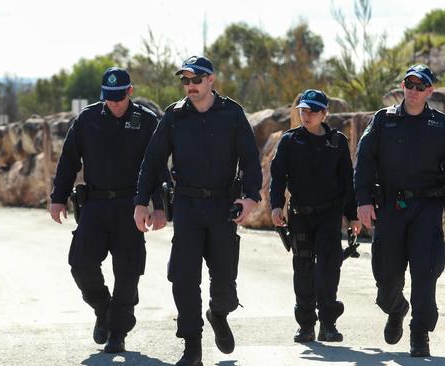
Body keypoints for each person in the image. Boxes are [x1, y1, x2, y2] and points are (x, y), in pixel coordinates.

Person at [133, 55, 262, 366]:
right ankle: (192, 347)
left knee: (225, 286)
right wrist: (141, 201)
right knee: (183, 279)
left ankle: (219, 313)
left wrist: (250, 197)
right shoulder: (174, 116)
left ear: (211, 80)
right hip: (188, 207)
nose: (190, 86)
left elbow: (250, 160)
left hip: (222, 208)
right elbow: (152, 161)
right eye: (185, 80)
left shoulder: (232, 114)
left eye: (196, 80)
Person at [49, 67, 166, 353]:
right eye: (108, 98)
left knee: (128, 272)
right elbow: (68, 161)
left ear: (130, 92)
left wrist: (160, 207)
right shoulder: (87, 119)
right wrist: (58, 197)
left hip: (131, 205)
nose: (113, 103)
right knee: (81, 264)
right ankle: (104, 308)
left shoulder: (147, 122)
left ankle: (118, 332)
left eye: (118, 97)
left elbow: (158, 168)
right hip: (96, 205)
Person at [354, 64, 445, 357]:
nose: (414, 91)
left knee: (425, 271)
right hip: (390, 207)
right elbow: (364, 160)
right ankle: (396, 308)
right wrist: (363, 200)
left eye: (421, 86)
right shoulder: (383, 121)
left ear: (430, 91)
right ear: (402, 87)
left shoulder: (440, 125)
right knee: (386, 275)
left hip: (427, 207)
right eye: (409, 85)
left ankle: (420, 334)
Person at [269, 89, 361, 343]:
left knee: (329, 268)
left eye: (311, 111)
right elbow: (278, 177)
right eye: (302, 110)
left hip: (329, 215)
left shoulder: (338, 142)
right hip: (300, 215)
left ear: (324, 114)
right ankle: (306, 325)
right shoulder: (289, 141)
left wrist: (352, 216)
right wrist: (276, 206)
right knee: (304, 269)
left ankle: (328, 324)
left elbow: (347, 182)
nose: (305, 116)